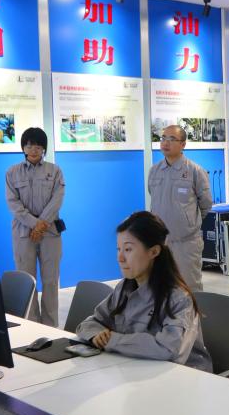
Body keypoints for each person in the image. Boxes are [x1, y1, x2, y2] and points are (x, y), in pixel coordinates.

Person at [76, 211, 212, 370]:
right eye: (118, 249)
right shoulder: (124, 289)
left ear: (154, 252)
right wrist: (96, 335)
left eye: (128, 249)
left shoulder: (179, 299)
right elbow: (89, 324)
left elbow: (169, 350)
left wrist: (112, 340)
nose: (120, 258)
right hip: (137, 370)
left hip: (183, 377)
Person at [5, 127, 64, 327]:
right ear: (23, 147)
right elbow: (13, 204)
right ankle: (31, 325)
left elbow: (57, 199)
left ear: (43, 149)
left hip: (50, 233)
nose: (33, 150)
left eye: (38, 146)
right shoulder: (12, 172)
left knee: (51, 281)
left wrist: (41, 225)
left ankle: (51, 326)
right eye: (29, 145)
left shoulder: (55, 171)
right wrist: (34, 224)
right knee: (26, 281)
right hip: (23, 234)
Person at [148, 125, 214, 291]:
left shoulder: (195, 171)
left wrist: (188, 222)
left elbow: (206, 204)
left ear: (183, 144)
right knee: (161, 287)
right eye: (163, 138)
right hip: (160, 242)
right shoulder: (154, 171)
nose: (166, 143)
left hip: (186, 243)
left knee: (189, 288)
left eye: (172, 139)